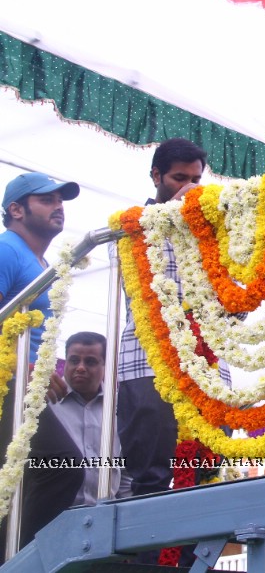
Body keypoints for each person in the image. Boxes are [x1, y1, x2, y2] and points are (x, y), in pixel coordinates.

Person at [115, 139, 233, 503]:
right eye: (178, 178)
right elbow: (144, 292)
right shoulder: (129, 226)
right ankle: (148, 559)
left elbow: (237, 307)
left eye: (195, 179)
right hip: (148, 364)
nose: (188, 188)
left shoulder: (211, 231)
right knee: (151, 479)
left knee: (206, 478)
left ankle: (195, 561)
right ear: (155, 176)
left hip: (211, 367)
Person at [0, 171, 79, 557]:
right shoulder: (7, 249)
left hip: (22, 386)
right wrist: (25, 367)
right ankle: (24, 562)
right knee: (62, 463)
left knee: (22, 480)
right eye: (46, 199)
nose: (58, 206)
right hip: (6, 383)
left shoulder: (38, 258)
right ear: (16, 209)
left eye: (60, 200)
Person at [21, 332, 131, 546]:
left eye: (90, 361)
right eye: (74, 360)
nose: (80, 367)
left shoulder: (120, 409)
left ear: (106, 366)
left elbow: (125, 474)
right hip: (49, 524)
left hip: (102, 527)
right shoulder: (42, 399)